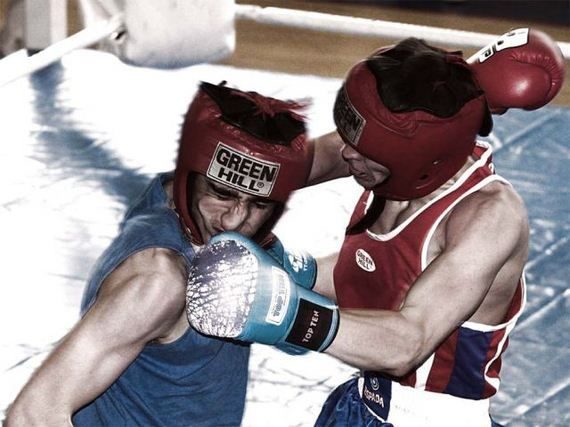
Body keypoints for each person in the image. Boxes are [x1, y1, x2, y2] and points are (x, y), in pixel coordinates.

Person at [183, 29, 565, 426]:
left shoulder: (490, 216)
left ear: (415, 158)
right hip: (360, 406)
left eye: (362, 148)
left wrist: (286, 313)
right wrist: (288, 265)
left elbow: (408, 342)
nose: (346, 152)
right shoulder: (386, 158)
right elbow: (373, 266)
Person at [4, 81, 315, 426]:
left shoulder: (175, 196)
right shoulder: (158, 282)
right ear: (190, 177)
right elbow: (31, 415)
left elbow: (328, 158)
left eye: (259, 204)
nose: (234, 220)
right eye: (221, 194)